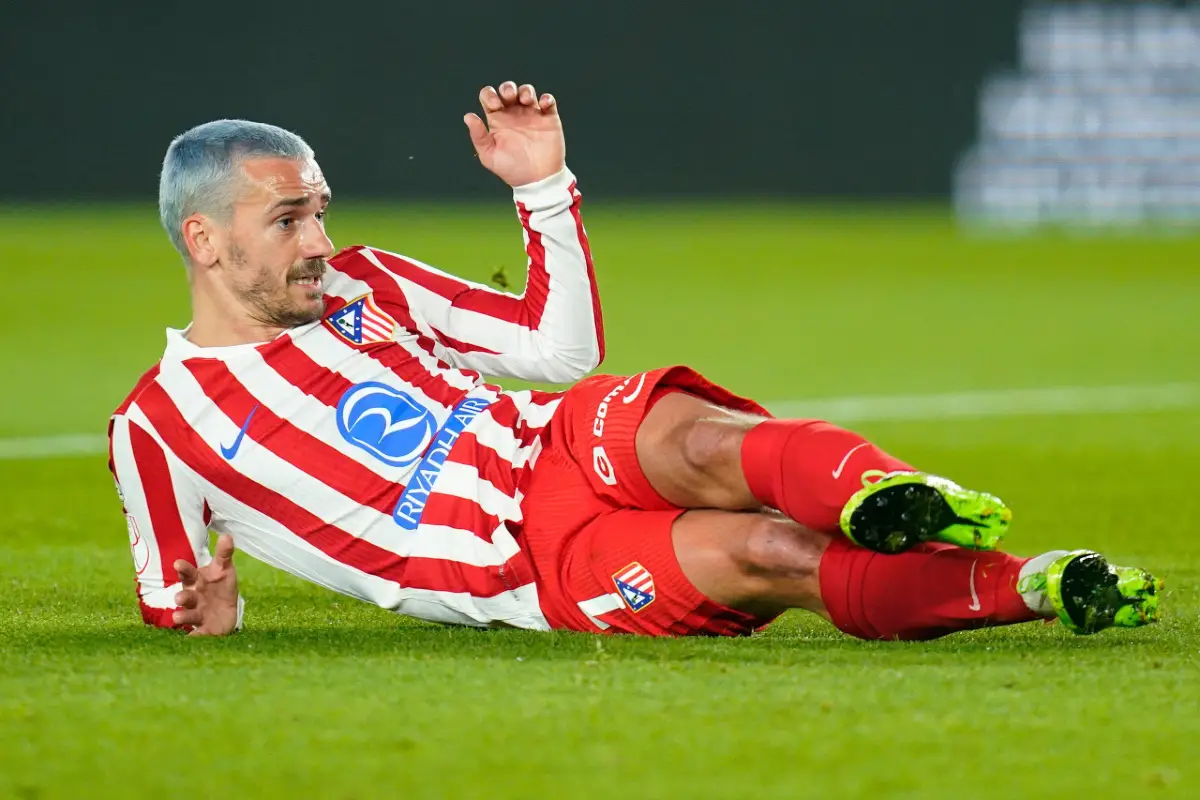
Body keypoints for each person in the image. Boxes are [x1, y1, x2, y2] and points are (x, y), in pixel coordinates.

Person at [107, 81, 1162, 640]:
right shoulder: (155, 424)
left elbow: (559, 352)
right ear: (204, 240)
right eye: (289, 220)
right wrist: (211, 611)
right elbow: (176, 598)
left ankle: (900, 492)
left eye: (320, 211)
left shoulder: (365, 282)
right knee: (773, 554)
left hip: (548, 441)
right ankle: (1031, 585)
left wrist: (544, 187)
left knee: (707, 438)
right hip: (530, 570)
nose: (319, 242)